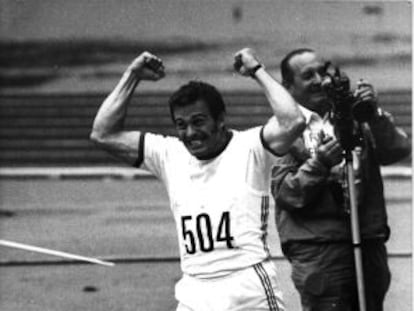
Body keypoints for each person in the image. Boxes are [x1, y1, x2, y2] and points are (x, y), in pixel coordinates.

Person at [90, 48, 306, 311]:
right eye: (181, 124)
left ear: (221, 120)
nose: (191, 133)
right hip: (194, 290)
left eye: (199, 121)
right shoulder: (168, 153)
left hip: (246, 287)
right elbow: (103, 134)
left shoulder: (250, 146)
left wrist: (256, 71)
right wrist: (132, 75)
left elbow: (293, 121)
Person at [270, 48, 411, 311]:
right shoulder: (284, 129)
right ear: (288, 87)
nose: (319, 80)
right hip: (320, 252)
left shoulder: (355, 115)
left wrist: (374, 114)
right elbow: (287, 194)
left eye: (322, 72)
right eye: (307, 75)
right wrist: (319, 164)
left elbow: (397, 150)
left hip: (368, 242)